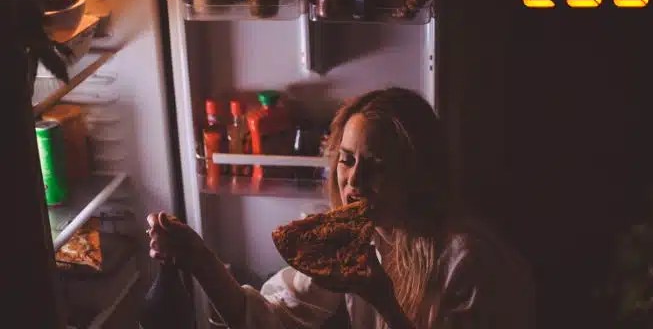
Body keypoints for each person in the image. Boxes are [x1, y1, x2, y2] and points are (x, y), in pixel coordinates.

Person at [146, 87, 535, 328]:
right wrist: (199, 259)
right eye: (347, 160)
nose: (354, 180)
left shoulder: (470, 265)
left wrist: (383, 301)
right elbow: (270, 321)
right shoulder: (355, 239)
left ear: (418, 173)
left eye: (377, 166)